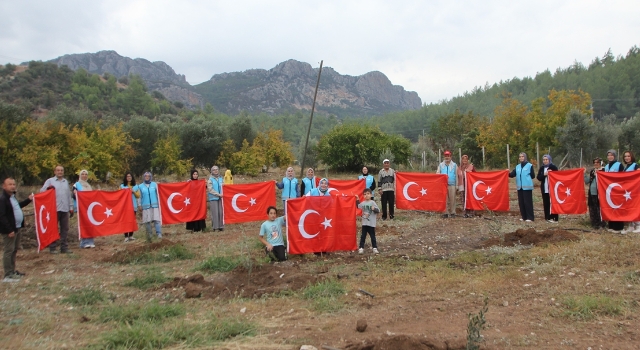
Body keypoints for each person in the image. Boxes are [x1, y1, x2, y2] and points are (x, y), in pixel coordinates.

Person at [1, 178, 33, 282]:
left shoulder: (12, 197)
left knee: (14, 250)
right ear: (4, 186)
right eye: (10, 184)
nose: (12, 186)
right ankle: (8, 274)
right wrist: (9, 230)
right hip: (10, 230)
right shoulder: (3, 199)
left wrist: (28, 200)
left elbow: (17, 207)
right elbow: (2, 216)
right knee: (8, 251)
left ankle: (12, 270)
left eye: (14, 184)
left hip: (17, 227)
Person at [40, 165, 74, 254]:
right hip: (53, 209)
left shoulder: (65, 182)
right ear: (55, 172)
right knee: (53, 229)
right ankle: (52, 248)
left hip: (64, 208)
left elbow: (68, 195)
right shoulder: (50, 181)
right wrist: (48, 189)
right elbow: (41, 192)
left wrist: (71, 207)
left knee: (65, 229)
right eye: (58, 170)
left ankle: (64, 247)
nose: (60, 172)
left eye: (61, 170)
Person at [508, 152, 536, 222]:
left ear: (525, 157)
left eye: (522, 156)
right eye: (520, 157)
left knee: (528, 202)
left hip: (527, 187)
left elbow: (533, 176)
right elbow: (512, 174)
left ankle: (530, 217)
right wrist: (506, 173)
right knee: (521, 202)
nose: (521, 158)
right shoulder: (517, 167)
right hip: (519, 187)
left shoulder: (529, 165)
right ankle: (524, 217)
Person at [604, 150, 624, 233]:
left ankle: (618, 227)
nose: (610, 157)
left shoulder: (619, 165)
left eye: (611, 155)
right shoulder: (606, 166)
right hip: (608, 190)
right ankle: (611, 225)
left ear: (615, 156)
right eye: (608, 155)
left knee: (617, 207)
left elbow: (623, 176)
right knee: (610, 207)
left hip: (617, 189)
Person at [74, 170, 95, 248]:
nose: (84, 176)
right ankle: (84, 242)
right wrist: (75, 193)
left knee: (90, 224)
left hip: (89, 207)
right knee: (84, 224)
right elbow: (73, 195)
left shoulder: (88, 185)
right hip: (81, 207)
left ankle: (90, 241)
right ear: (80, 175)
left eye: (86, 174)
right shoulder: (76, 184)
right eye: (82, 174)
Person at [356, 188, 380, 254]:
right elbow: (358, 206)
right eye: (364, 194)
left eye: (368, 194)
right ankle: (361, 248)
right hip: (364, 223)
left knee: (372, 236)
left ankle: (374, 248)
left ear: (371, 195)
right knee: (363, 236)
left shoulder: (373, 202)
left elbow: (378, 210)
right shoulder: (363, 203)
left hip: (371, 223)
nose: (366, 195)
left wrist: (374, 209)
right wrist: (357, 199)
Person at [621, 151, 640, 233]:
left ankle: (638, 225)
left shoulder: (635, 165)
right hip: (627, 190)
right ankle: (631, 225)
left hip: (634, 189)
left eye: (628, 156)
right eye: (625, 156)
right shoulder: (625, 167)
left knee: (635, 206)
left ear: (631, 157)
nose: (627, 158)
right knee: (629, 207)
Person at [139, 172, 162, 240]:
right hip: (145, 206)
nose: (147, 177)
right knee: (147, 221)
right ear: (144, 177)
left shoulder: (154, 184)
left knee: (156, 220)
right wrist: (139, 205)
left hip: (154, 205)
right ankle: (150, 234)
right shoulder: (140, 186)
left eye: (148, 176)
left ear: (150, 177)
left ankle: (159, 233)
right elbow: (139, 197)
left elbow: (158, 193)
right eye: (146, 176)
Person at [537, 154, 559, 223]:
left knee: (553, 203)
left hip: (552, 189)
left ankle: (554, 217)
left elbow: (558, 176)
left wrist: (551, 174)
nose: (545, 161)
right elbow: (538, 177)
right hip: (544, 188)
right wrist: (544, 175)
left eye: (546, 159)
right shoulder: (542, 168)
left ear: (549, 160)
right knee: (546, 203)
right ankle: (547, 217)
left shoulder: (553, 167)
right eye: (544, 160)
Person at [584, 157, 605, 230]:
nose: (596, 164)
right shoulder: (592, 171)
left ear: (601, 163)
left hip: (600, 193)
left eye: (597, 162)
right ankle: (594, 223)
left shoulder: (604, 170)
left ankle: (601, 223)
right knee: (592, 207)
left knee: (599, 208)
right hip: (592, 192)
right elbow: (587, 181)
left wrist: (599, 175)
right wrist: (584, 174)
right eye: (594, 162)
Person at [436, 150, 458, 218]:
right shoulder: (441, 165)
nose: (447, 157)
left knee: (452, 199)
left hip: (452, 184)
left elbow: (457, 175)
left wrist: (457, 185)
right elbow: (437, 173)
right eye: (445, 156)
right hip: (443, 185)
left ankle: (453, 212)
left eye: (448, 156)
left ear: (450, 156)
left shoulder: (454, 165)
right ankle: (445, 213)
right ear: (444, 156)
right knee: (444, 200)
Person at [120, 172, 140, 242]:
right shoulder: (122, 186)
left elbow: (138, 196)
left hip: (133, 205)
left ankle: (131, 235)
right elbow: (118, 195)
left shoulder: (135, 186)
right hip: (125, 206)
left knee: (132, 220)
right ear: (126, 177)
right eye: (127, 176)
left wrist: (133, 191)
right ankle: (126, 236)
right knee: (125, 221)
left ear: (132, 177)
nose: (129, 177)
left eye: (130, 176)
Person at [206, 166, 224, 231]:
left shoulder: (221, 178)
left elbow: (224, 186)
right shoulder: (210, 179)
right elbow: (210, 189)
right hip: (213, 198)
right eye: (214, 170)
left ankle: (221, 226)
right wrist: (218, 194)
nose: (216, 171)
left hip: (221, 198)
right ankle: (215, 227)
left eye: (217, 169)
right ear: (211, 171)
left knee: (221, 212)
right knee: (215, 213)